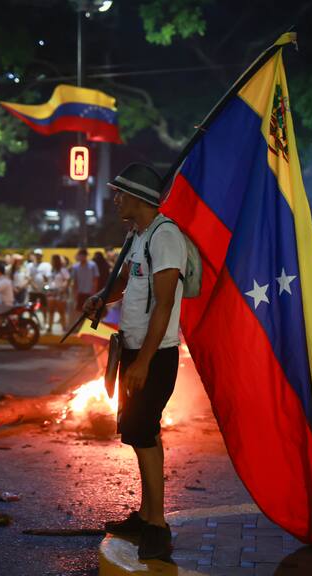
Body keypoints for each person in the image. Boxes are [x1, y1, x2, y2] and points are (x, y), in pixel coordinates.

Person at [84, 163, 186, 560]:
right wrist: (102, 298)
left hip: (154, 354)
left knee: (143, 432)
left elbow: (164, 304)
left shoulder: (166, 236)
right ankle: (145, 516)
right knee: (138, 431)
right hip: (132, 349)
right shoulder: (137, 235)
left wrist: (143, 362)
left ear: (139, 198)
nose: (115, 199)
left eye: (120, 193)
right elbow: (125, 282)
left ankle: (157, 526)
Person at [71, 248, 99, 321]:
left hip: (90, 293)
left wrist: (94, 292)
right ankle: (79, 326)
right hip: (80, 293)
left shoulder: (93, 265)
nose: (82, 257)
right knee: (79, 311)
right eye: (80, 255)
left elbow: (95, 279)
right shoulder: (75, 267)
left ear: (86, 256)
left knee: (90, 312)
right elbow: (75, 281)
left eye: (83, 255)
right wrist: (75, 293)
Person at [46, 254, 71, 333]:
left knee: (61, 311)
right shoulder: (51, 270)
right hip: (51, 292)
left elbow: (67, 280)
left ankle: (64, 327)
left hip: (60, 292)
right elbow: (48, 279)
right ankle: (49, 327)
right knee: (51, 311)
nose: (52, 262)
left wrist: (63, 288)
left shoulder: (63, 270)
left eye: (53, 260)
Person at [28, 248, 51, 318]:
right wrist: (34, 285)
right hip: (33, 290)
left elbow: (47, 277)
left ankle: (45, 321)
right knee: (31, 306)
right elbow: (29, 277)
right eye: (36, 255)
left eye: (39, 255)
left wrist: (45, 284)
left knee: (44, 306)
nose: (37, 256)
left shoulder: (46, 265)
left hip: (43, 290)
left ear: (42, 256)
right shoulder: (30, 265)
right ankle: (30, 320)